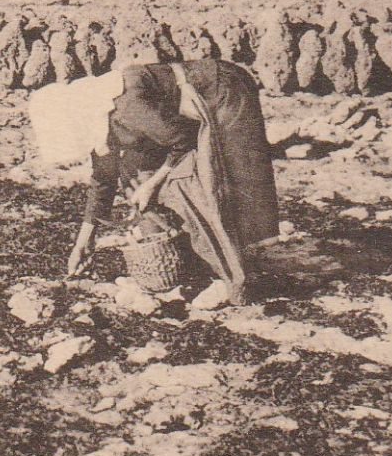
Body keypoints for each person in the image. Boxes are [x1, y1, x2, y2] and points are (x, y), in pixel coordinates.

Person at [27, 58, 280, 305]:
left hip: (223, 90)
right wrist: (84, 241)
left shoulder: (127, 109)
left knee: (194, 182)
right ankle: (183, 259)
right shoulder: (96, 114)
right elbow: (103, 179)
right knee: (135, 172)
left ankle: (234, 280)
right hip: (172, 126)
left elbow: (185, 140)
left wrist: (153, 184)